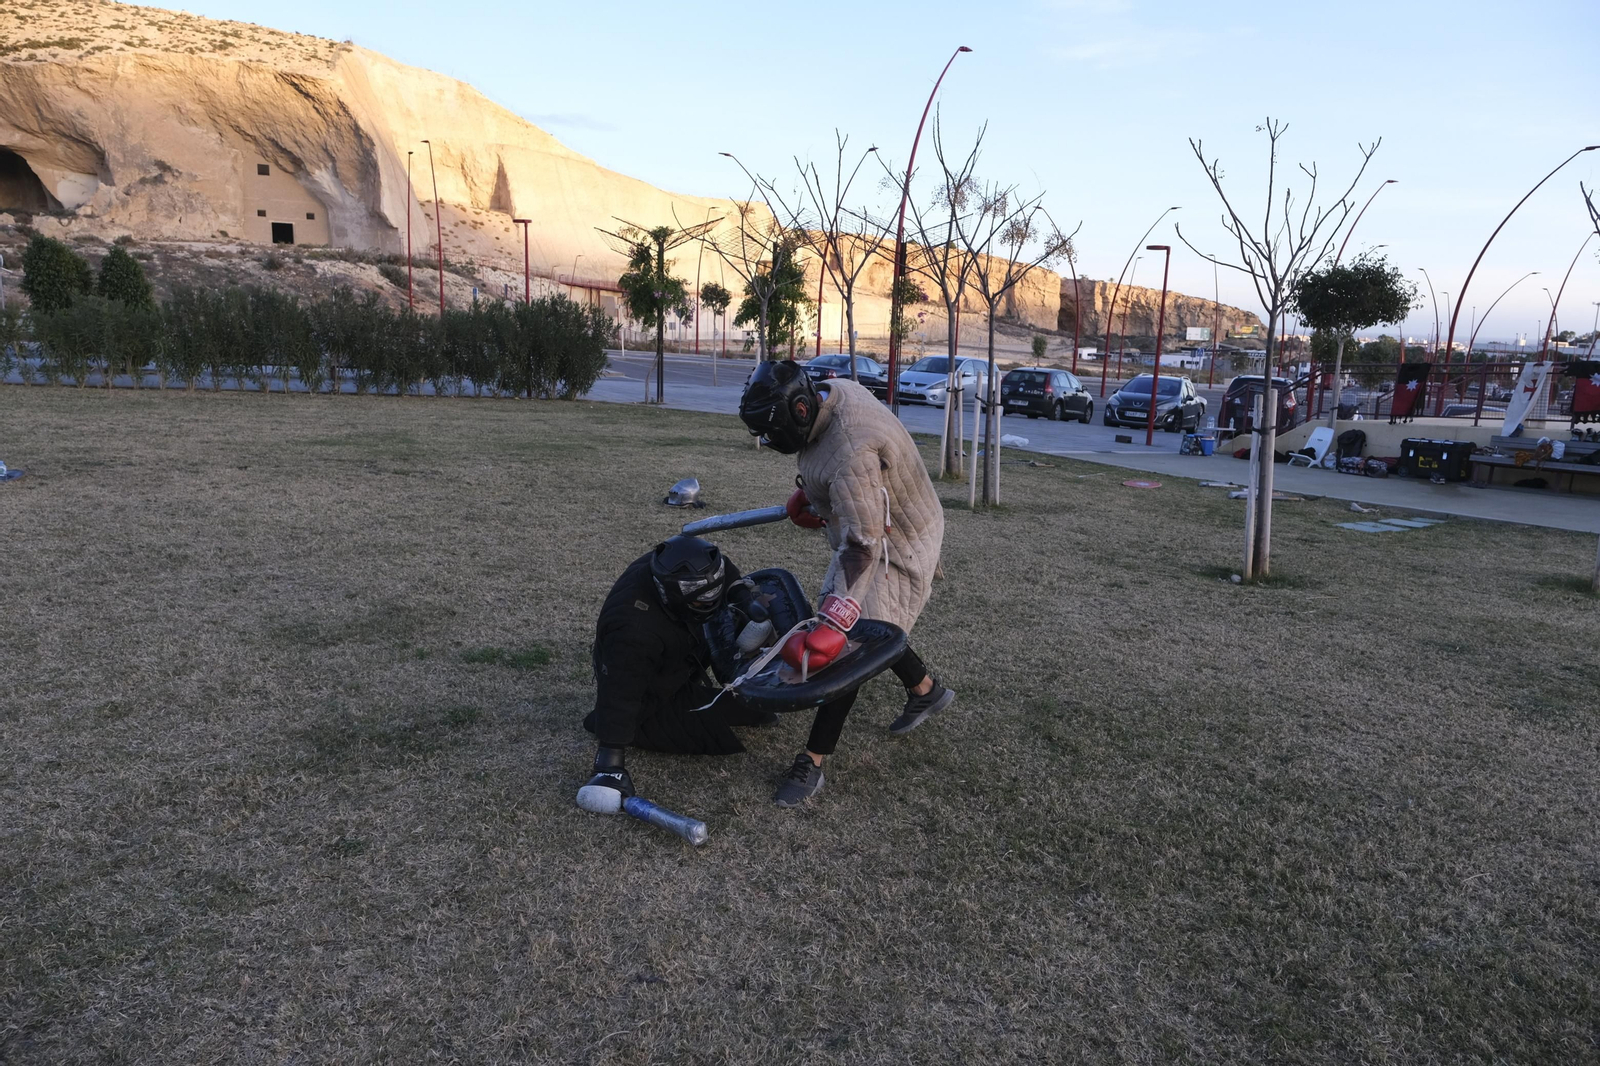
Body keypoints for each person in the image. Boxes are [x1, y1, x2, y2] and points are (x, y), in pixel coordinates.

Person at [737, 359, 954, 808]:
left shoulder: (850, 449)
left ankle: (812, 761)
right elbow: (856, 490)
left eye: (773, 432)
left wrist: (836, 622)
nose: (770, 442)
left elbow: (862, 543)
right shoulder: (830, 392)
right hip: (878, 524)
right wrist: (816, 499)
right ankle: (926, 691)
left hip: (897, 540)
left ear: (799, 410)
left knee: (849, 643)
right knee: (876, 623)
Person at [576, 535, 774, 813]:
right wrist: (610, 765)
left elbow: (720, 568)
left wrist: (742, 598)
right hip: (648, 694)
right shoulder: (632, 631)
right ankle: (611, 724)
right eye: (703, 599)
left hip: (677, 649)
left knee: (759, 709)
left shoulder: (673, 565)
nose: (711, 600)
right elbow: (620, 693)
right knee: (730, 722)